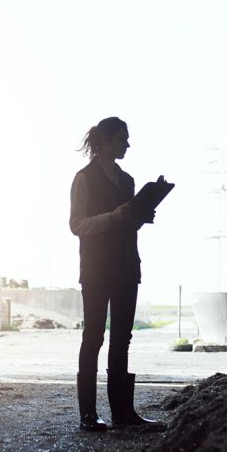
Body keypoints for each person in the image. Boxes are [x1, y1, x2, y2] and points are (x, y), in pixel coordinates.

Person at [68, 117, 159, 431]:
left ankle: (123, 413)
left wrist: (142, 214)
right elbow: (76, 225)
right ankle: (88, 415)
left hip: (126, 266)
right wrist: (112, 216)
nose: (127, 145)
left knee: (122, 339)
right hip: (95, 269)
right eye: (122, 139)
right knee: (93, 337)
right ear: (105, 141)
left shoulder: (128, 181)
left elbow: (127, 223)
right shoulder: (84, 178)